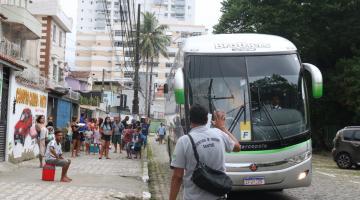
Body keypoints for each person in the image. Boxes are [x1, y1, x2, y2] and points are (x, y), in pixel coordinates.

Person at [169, 104, 241, 200]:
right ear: (207, 119)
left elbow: (177, 177)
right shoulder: (219, 133)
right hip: (219, 196)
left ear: (190, 120)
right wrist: (223, 128)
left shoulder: (184, 141)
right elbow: (238, 147)